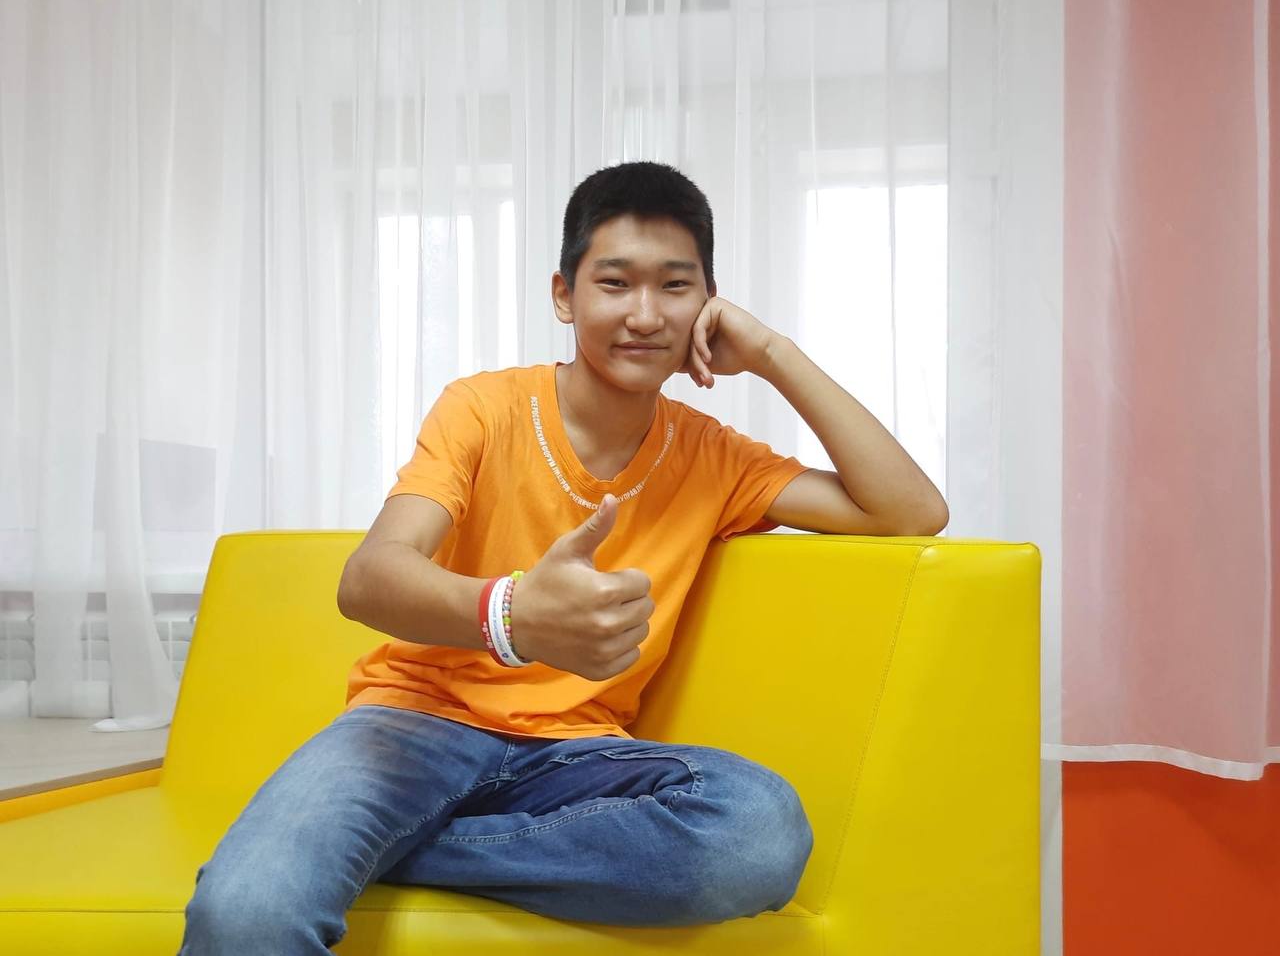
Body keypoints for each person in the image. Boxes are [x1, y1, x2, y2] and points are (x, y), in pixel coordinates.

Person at [178, 161, 948, 953]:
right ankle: (364, 843)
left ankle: (395, 851)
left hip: (576, 760)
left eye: (674, 286)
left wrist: (774, 352)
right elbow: (369, 578)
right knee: (245, 912)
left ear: (708, 305)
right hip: (414, 723)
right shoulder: (482, 408)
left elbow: (912, 511)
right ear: (564, 295)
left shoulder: (715, 456)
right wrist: (511, 614)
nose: (644, 314)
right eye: (614, 283)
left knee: (760, 830)